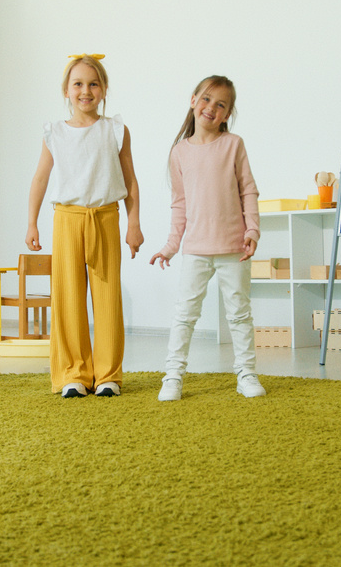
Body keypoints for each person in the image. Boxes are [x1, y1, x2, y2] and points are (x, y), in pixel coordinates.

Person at [26, 54, 143, 398]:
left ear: (104, 89)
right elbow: (40, 178)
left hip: (105, 217)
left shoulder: (115, 130)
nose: (85, 91)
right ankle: (72, 373)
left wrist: (133, 223)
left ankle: (108, 374)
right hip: (67, 219)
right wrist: (31, 222)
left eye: (93, 84)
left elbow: (130, 180)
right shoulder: (55, 133)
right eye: (78, 84)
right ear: (66, 90)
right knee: (68, 297)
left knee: (107, 298)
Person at [149, 76, 265, 400]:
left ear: (228, 114)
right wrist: (171, 246)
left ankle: (246, 373)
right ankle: (172, 377)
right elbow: (180, 204)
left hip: (234, 247)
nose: (211, 108)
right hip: (197, 250)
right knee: (184, 315)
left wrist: (252, 230)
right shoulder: (179, 153)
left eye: (221, 104)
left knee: (239, 313)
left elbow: (249, 191)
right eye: (206, 99)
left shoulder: (234, 145)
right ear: (193, 100)